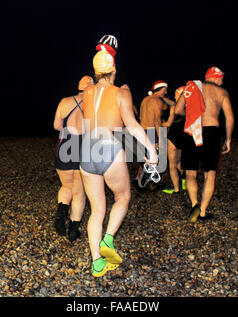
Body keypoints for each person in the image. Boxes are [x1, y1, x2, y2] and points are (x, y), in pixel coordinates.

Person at [80, 50, 158, 277]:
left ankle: (96, 263)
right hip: (109, 149)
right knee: (122, 197)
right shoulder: (121, 93)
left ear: (95, 72)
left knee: (96, 210)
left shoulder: (87, 92)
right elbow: (131, 125)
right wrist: (151, 150)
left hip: (85, 150)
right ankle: (108, 238)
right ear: (114, 70)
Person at [175, 67, 234, 222]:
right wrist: (228, 140)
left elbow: (177, 110)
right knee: (210, 174)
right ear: (216, 78)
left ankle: (194, 204)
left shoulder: (191, 87)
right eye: (221, 78)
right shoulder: (222, 93)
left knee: (190, 173)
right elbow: (230, 118)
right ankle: (202, 212)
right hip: (212, 133)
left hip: (193, 130)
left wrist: (190, 114)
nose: (222, 81)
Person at [53, 75, 93, 242]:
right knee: (79, 192)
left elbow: (56, 126)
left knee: (66, 185)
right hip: (84, 146)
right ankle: (73, 231)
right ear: (91, 87)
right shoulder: (93, 103)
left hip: (65, 145)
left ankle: (61, 212)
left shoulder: (65, 101)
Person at [134, 81, 170, 186]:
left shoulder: (145, 99)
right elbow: (157, 121)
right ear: (160, 89)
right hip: (151, 131)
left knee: (146, 157)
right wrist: (160, 138)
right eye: (164, 90)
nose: (166, 92)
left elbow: (140, 117)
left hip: (141, 130)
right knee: (154, 158)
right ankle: (150, 182)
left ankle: (138, 179)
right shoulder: (157, 101)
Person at [163, 86, 187, 195]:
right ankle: (184, 182)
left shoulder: (175, 107)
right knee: (180, 162)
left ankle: (176, 189)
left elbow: (168, 123)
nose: (174, 96)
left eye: (176, 94)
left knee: (172, 164)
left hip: (173, 136)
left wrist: (159, 124)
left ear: (179, 95)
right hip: (184, 136)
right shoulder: (189, 108)